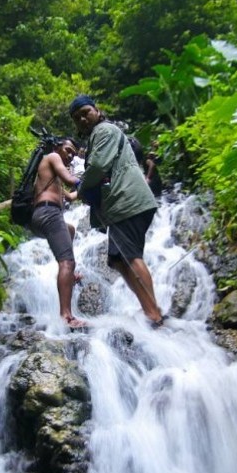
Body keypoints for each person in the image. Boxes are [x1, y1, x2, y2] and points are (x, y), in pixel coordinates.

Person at [69, 94, 165, 328]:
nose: (82, 119)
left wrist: (79, 188)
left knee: (130, 256)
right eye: (77, 117)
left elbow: (99, 166)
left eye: (85, 112)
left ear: (97, 110)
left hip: (128, 202)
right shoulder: (99, 136)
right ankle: (151, 309)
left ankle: (154, 315)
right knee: (117, 260)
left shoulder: (104, 131)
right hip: (127, 203)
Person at [27, 136, 88, 329]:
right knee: (67, 261)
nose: (70, 155)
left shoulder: (51, 176)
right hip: (49, 212)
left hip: (40, 216)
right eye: (68, 150)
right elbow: (70, 180)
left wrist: (89, 189)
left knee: (70, 229)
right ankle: (66, 316)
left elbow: (71, 195)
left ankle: (69, 273)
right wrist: (88, 180)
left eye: (73, 152)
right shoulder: (53, 157)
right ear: (57, 147)